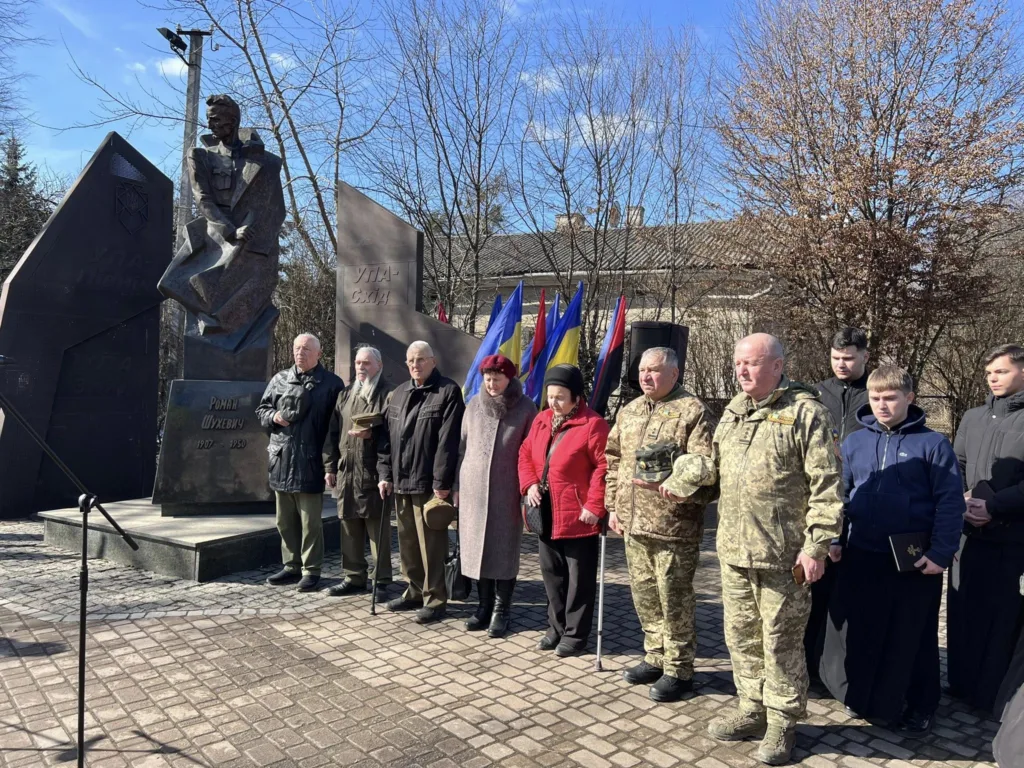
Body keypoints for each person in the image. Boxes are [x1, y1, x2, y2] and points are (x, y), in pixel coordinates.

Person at [706, 333, 843, 766]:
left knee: (781, 641)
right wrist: (680, 477)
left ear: (778, 366)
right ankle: (752, 708)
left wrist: (816, 547)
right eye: (738, 363)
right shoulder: (734, 411)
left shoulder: (807, 413)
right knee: (741, 637)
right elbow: (715, 471)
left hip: (783, 556)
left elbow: (827, 486)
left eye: (751, 362)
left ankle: (783, 721)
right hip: (734, 550)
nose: (741, 371)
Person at [820, 366, 964, 736]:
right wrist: (835, 539)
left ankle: (921, 705)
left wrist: (941, 552)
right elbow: (840, 496)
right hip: (862, 554)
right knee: (865, 631)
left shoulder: (933, 445)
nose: (882, 405)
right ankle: (867, 698)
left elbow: (950, 503)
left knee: (912, 636)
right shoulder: (855, 442)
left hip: (914, 560)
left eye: (890, 397)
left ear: (909, 398)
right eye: (875, 398)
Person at [604, 347, 718, 702]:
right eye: (642, 370)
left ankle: (679, 669)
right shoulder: (630, 411)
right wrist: (612, 506)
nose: (646, 376)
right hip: (633, 524)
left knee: (674, 600)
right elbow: (613, 459)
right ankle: (655, 656)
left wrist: (681, 490)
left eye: (654, 370)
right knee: (645, 596)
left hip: (673, 527)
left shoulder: (692, 411)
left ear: (674, 373)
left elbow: (707, 468)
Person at [948, 344, 1024, 715]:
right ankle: (959, 684)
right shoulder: (973, 416)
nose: (993, 378)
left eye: (1001, 371)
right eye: (989, 372)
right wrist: (961, 500)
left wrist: (994, 506)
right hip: (968, 535)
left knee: (1001, 618)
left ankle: (989, 695)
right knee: (964, 610)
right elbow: (956, 463)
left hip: (1011, 538)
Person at [519, 364, 610, 657]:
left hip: (578, 516)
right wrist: (529, 485)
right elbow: (525, 454)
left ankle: (575, 634)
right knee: (552, 576)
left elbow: (604, 467)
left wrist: (595, 505)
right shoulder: (541, 420)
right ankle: (555, 628)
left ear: (576, 397)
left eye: (560, 397)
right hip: (545, 512)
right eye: (550, 396)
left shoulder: (593, 425)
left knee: (579, 581)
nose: (553, 403)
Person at [377, 341, 465, 625]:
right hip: (400, 481)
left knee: (432, 546)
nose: (415, 365)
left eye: (421, 359)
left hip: (429, 484)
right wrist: (385, 475)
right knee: (407, 544)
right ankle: (414, 590)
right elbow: (386, 439)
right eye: (411, 360)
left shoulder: (447, 391)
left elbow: (448, 442)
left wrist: (442, 481)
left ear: (433, 361)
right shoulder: (399, 393)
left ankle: (435, 599)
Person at [806, 328, 871, 681]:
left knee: (850, 594)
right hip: (819, 501)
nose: (841, 364)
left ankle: (842, 669)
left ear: (864, 356)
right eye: (836, 358)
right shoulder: (816, 393)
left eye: (848, 358)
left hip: (861, 503)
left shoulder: (876, 393)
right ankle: (810, 664)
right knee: (815, 591)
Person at [456, 354, 537, 638]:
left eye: (497, 379)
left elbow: (531, 452)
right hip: (473, 491)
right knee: (477, 548)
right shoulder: (473, 405)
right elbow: (462, 447)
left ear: (509, 379)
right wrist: (456, 486)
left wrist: (527, 488)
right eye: (488, 379)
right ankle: (483, 605)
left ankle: (502, 609)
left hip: (507, 490)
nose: (491, 384)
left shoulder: (526, 408)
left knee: (503, 550)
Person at [257, 334, 344, 592]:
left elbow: (335, 428)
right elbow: (261, 410)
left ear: (319, 353)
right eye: (297, 348)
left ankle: (311, 570)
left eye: (306, 349)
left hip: (311, 461)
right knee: (284, 521)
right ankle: (291, 565)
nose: (300, 353)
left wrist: (330, 465)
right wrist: (274, 416)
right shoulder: (280, 379)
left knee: (310, 523)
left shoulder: (332, 384)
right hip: (282, 460)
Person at [323, 346, 394, 601]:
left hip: (373, 473)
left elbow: (394, 435)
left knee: (377, 530)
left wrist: (372, 435)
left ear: (379, 365)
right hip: (347, 471)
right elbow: (332, 433)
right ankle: (353, 577)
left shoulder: (388, 394)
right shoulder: (345, 394)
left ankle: (381, 580)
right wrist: (330, 466)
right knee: (349, 525)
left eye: (366, 363)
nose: (361, 367)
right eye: (357, 363)